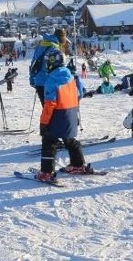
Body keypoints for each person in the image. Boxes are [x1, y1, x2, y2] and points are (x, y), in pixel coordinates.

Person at [34, 39, 92, 182]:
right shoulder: (71, 77)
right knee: (70, 140)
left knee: (49, 142)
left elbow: (50, 104)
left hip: (57, 115)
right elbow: (80, 93)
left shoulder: (51, 81)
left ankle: (47, 172)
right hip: (71, 114)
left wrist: (44, 123)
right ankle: (78, 164)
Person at [29, 29, 69, 105]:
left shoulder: (41, 45)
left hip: (39, 82)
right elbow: (57, 70)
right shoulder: (55, 49)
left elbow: (33, 63)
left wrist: (32, 79)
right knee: (53, 112)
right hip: (50, 84)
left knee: (46, 111)